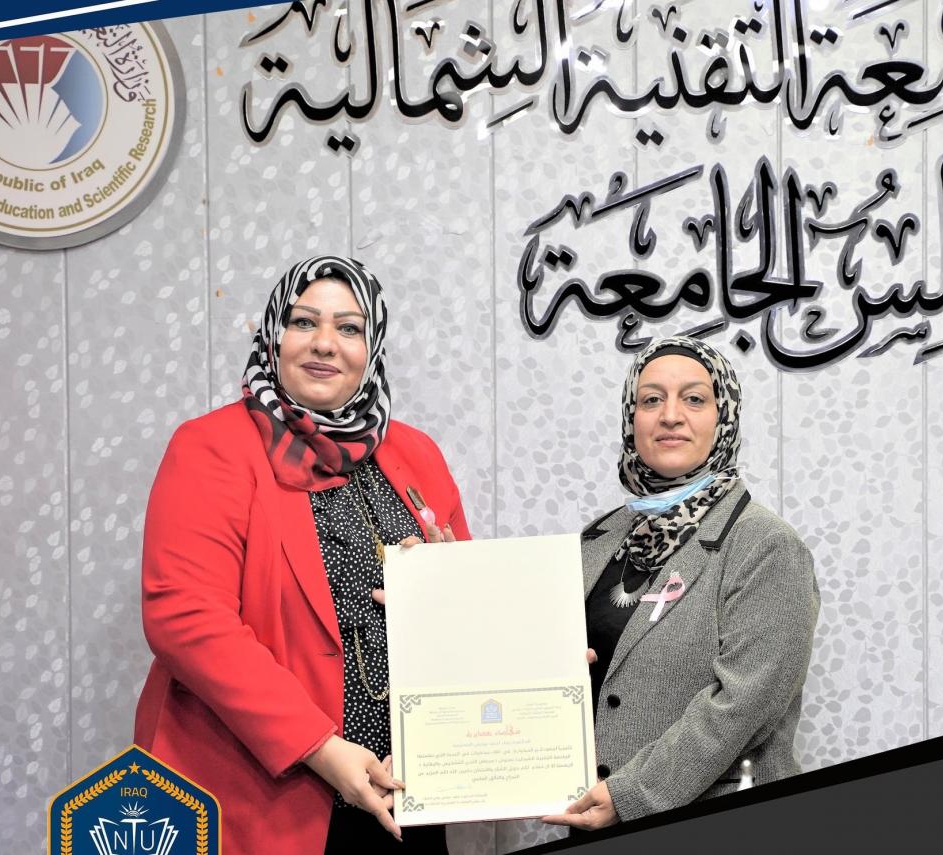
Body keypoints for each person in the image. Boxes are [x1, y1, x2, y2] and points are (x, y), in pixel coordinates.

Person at [134, 256, 469, 855]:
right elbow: (185, 618)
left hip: (406, 790)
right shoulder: (212, 447)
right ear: (274, 335)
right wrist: (320, 747)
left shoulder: (416, 454)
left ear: (372, 346)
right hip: (261, 799)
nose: (324, 343)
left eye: (349, 328)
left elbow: (472, 601)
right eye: (304, 321)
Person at [544, 336, 820, 831]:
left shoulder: (764, 545)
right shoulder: (596, 541)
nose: (670, 416)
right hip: (590, 817)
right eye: (651, 399)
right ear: (631, 418)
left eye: (694, 399)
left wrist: (632, 795)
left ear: (724, 417)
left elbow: (743, 705)